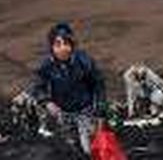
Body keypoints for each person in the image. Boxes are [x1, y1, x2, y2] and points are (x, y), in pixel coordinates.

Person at [20, 22, 107, 156]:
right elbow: (37, 86)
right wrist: (47, 102)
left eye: (66, 44)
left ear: (72, 45)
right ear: (52, 47)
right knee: (70, 148)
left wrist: (100, 112)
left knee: (89, 149)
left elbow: (98, 84)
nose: (63, 49)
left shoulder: (83, 61)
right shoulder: (47, 65)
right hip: (63, 113)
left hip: (85, 111)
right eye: (58, 44)